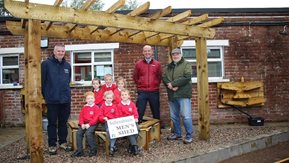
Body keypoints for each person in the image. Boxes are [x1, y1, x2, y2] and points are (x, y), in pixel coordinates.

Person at [41, 45, 72, 155]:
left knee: (63, 122)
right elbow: (42, 82)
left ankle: (63, 142)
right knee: (52, 123)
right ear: (54, 52)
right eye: (58, 51)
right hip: (52, 100)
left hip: (65, 100)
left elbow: (67, 81)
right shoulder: (46, 64)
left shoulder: (67, 66)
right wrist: (47, 96)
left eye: (62, 51)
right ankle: (52, 145)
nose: (60, 52)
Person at [162, 48, 194, 144]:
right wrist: (170, 86)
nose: (175, 56)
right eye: (173, 54)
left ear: (181, 54)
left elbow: (187, 77)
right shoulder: (168, 67)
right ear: (172, 56)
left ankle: (189, 136)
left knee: (186, 116)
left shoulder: (186, 64)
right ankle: (177, 134)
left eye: (177, 54)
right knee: (174, 116)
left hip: (183, 94)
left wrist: (175, 84)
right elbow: (164, 78)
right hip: (172, 94)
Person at [133, 45, 162, 122]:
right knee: (139, 111)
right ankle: (138, 131)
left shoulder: (157, 64)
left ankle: (157, 131)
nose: (147, 52)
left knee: (156, 112)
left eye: (149, 51)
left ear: (152, 52)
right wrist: (140, 85)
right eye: (145, 51)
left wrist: (155, 84)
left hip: (154, 92)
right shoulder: (138, 64)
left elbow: (159, 77)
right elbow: (135, 77)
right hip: (142, 91)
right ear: (143, 52)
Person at [71, 92, 102, 157]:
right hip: (84, 123)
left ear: (94, 99)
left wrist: (89, 124)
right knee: (79, 133)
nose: (90, 100)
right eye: (88, 99)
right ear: (86, 100)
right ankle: (80, 151)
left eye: (91, 98)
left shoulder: (96, 107)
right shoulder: (84, 107)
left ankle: (93, 149)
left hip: (93, 123)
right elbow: (81, 116)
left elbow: (96, 118)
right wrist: (82, 124)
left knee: (88, 133)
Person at [117, 89, 139, 155]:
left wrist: (135, 118)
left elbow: (135, 113)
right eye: (122, 95)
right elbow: (119, 115)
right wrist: (124, 120)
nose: (124, 96)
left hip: (132, 121)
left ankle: (131, 145)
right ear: (120, 96)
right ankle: (135, 148)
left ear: (128, 96)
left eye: (125, 94)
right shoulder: (119, 105)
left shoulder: (132, 104)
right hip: (124, 122)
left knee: (137, 130)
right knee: (130, 131)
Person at [99, 90, 119, 156]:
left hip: (113, 123)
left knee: (113, 131)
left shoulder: (114, 106)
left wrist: (115, 120)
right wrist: (103, 118)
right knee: (109, 131)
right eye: (107, 98)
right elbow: (100, 116)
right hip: (105, 123)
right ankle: (112, 146)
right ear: (104, 98)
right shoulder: (102, 106)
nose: (109, 99)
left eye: (110, 98)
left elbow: (117, 115)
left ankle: (111, 147)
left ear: (112, 98)